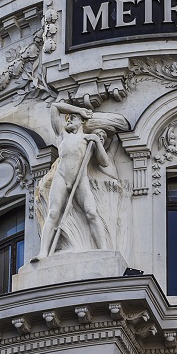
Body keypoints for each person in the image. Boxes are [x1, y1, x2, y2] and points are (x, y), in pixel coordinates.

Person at [33, 102, 118, 261]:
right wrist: (79, 111)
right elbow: (55, 107)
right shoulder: (63, 136)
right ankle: (43, 253)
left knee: (91, 213)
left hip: (80, 179)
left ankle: (104, 249)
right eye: (68, 118)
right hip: (62, 177)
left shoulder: (88, 139)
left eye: (73, 118)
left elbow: (104, 162)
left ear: (82, 122)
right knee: (53, 213)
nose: (68, 120)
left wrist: (98, 141)